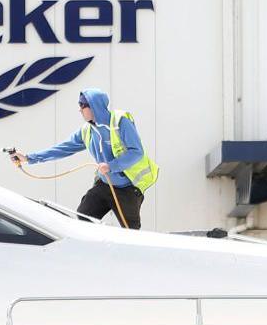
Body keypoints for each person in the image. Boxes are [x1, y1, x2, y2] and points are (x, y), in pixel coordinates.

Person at [9, 88, 158, 229]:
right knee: (83, 218)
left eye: (82, 105)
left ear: (95, 106)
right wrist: (29, 158)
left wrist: (112, 166)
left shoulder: (120, 122)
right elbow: (62, 148)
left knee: (130, 232)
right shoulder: (87, 130)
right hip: (104, 184)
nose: (79, 109)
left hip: (127, 188)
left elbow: (136, 152)